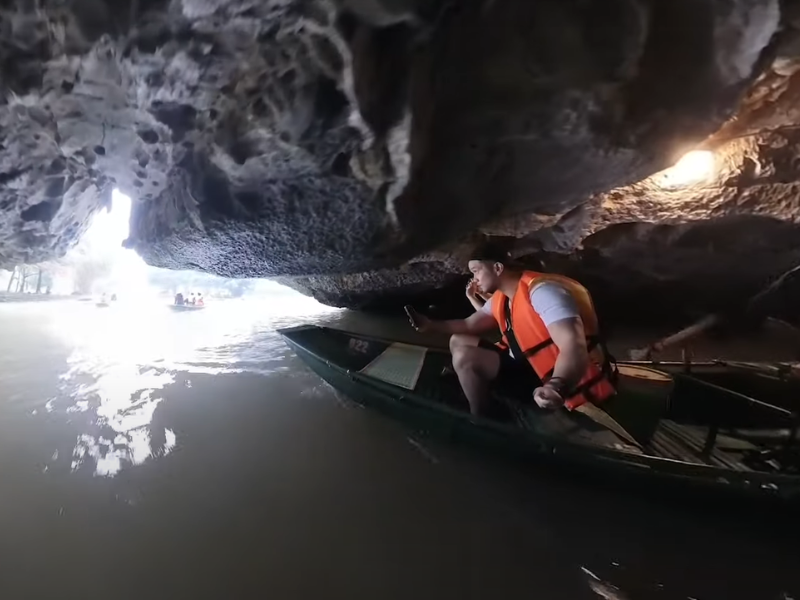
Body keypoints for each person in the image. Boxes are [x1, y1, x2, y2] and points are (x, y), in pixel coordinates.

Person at [405, 243, 616, 416]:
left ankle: (480, 416)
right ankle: (480, 392)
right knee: (459, 339)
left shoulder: (543, 292)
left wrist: (556, 386)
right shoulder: (503, 297)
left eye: (477, 270)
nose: (474, 278)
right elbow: (469, 325)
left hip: (551, 377)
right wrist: (430, 325)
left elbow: (573, 346)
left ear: (498, 268)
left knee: (464, 357)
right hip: (524, 362)